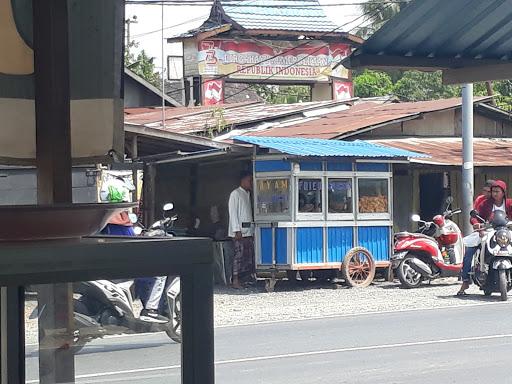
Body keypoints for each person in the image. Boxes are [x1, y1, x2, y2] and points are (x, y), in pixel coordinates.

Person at [100, 175, 167, 323]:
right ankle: (150, 310)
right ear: (119, 193)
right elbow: (131, 241)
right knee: (160, 273)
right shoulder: (119, 218)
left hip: (107, 263)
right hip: (123, 264)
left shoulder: (102, 216)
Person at [457, 180, 512, 296]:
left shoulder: (509, 203)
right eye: (493, 191)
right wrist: (477, 225)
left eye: (497, 191)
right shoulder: (485, 204)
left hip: (506, 233)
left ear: (503, 192)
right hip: (487, 231)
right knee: (469, 252)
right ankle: (466, 280)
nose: (495, 194)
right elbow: (475, 218)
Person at [228, 171, 255, 289]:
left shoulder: (247, 194)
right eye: (250, 180)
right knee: (238, 257)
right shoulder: (235, 194)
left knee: (247, 257)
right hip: (239, 232)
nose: (251, 183)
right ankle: (235, 280)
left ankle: (244, 279)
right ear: (243, 180)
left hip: (248, 231)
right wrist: (236, 230)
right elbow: (233, 213)